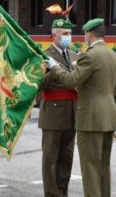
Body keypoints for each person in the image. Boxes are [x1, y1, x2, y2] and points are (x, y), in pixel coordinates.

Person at [47, 18, 116, 196]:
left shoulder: (89, 55)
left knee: (90, 166)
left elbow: (72, 81)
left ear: (89, 34)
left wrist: (55, 67)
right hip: (109, 115)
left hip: (91, 118)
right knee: (103, 165)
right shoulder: (112, 55)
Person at [39, 18, 78, 197]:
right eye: (65, 34)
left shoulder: (73, 55)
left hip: (72, 113)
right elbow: (39, 84)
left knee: (66, 158)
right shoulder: (44, 55)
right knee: (50, 159)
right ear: (54, 36)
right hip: (53, 113)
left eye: (70, 33)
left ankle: (62, 192)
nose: (68, 37)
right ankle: (51, 194)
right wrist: (52, 70)